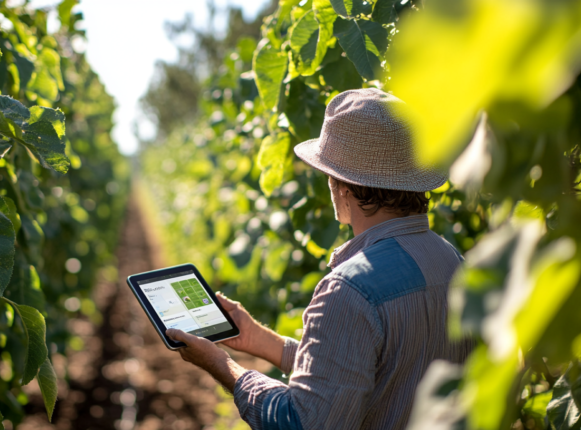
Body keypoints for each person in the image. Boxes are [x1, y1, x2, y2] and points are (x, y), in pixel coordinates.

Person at [166, 88, 472, 430]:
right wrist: (259, 340)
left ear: (341, 186)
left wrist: (223, 366)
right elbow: (357, 374)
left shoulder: (351, 289)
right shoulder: (454, 261)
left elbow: (303, 422)